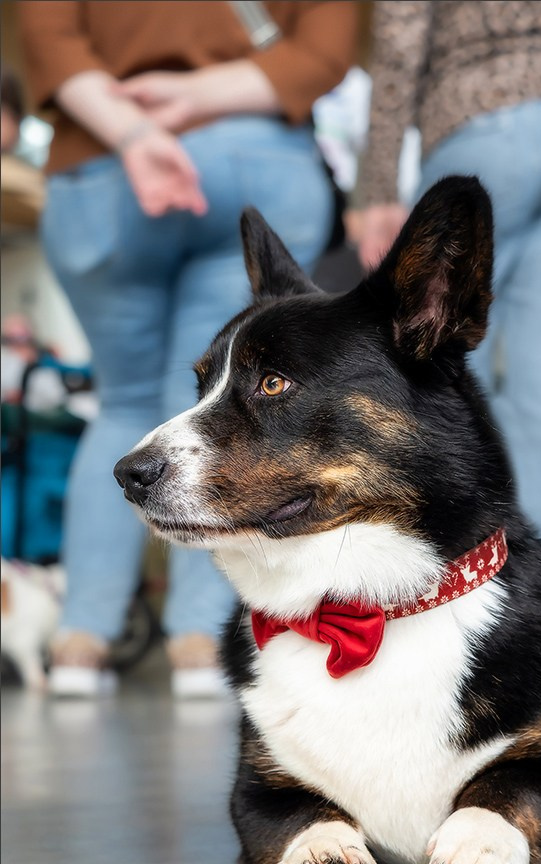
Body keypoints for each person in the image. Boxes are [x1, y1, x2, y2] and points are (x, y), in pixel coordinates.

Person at [19, 0, 359, 697]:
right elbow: (324, 51)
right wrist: (200, 95)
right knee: (228, 408)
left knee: (123, 404)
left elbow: (47, 36)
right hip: (258, 156)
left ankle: (81, 641)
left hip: (101, 168)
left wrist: (134, 130)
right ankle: (203, 645)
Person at [356, 0, 541, 591]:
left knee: (447, 379)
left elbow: (399, 37)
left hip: (479, 125)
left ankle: (467, 603)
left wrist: (378, 187)